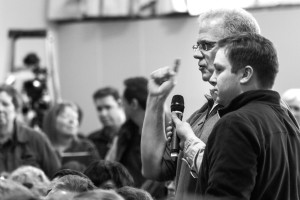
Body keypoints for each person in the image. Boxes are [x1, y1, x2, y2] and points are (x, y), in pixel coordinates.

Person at [141, 8, 261, 200]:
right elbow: (154, 169)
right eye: (197, 46)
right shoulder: (203, 113)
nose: (197, 55)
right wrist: (156, 99)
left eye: (206, 45)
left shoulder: (251, 115)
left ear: (238, 49)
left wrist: (189, 140)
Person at [172, 33, 300, 199]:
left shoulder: (235, 123)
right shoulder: (287, 120)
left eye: (219, 70)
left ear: (245, 74)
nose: (212, 78)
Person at [0, 84, 61, 178]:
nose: (0, 109)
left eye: (5, 104)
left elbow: (58, 179)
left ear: (16, 109)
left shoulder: (36, 139)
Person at [43, 101, 100, 169]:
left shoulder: (86, 147)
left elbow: (99, 173)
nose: (72, 121)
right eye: (66, 116)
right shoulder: (42, 147)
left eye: (75, 118)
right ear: (52, 120)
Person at [88, 87, 126, 158]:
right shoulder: (92, 140)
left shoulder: (135, 136)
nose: (103, 113)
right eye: (99, 109)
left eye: (108, 107)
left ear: (120, 104)